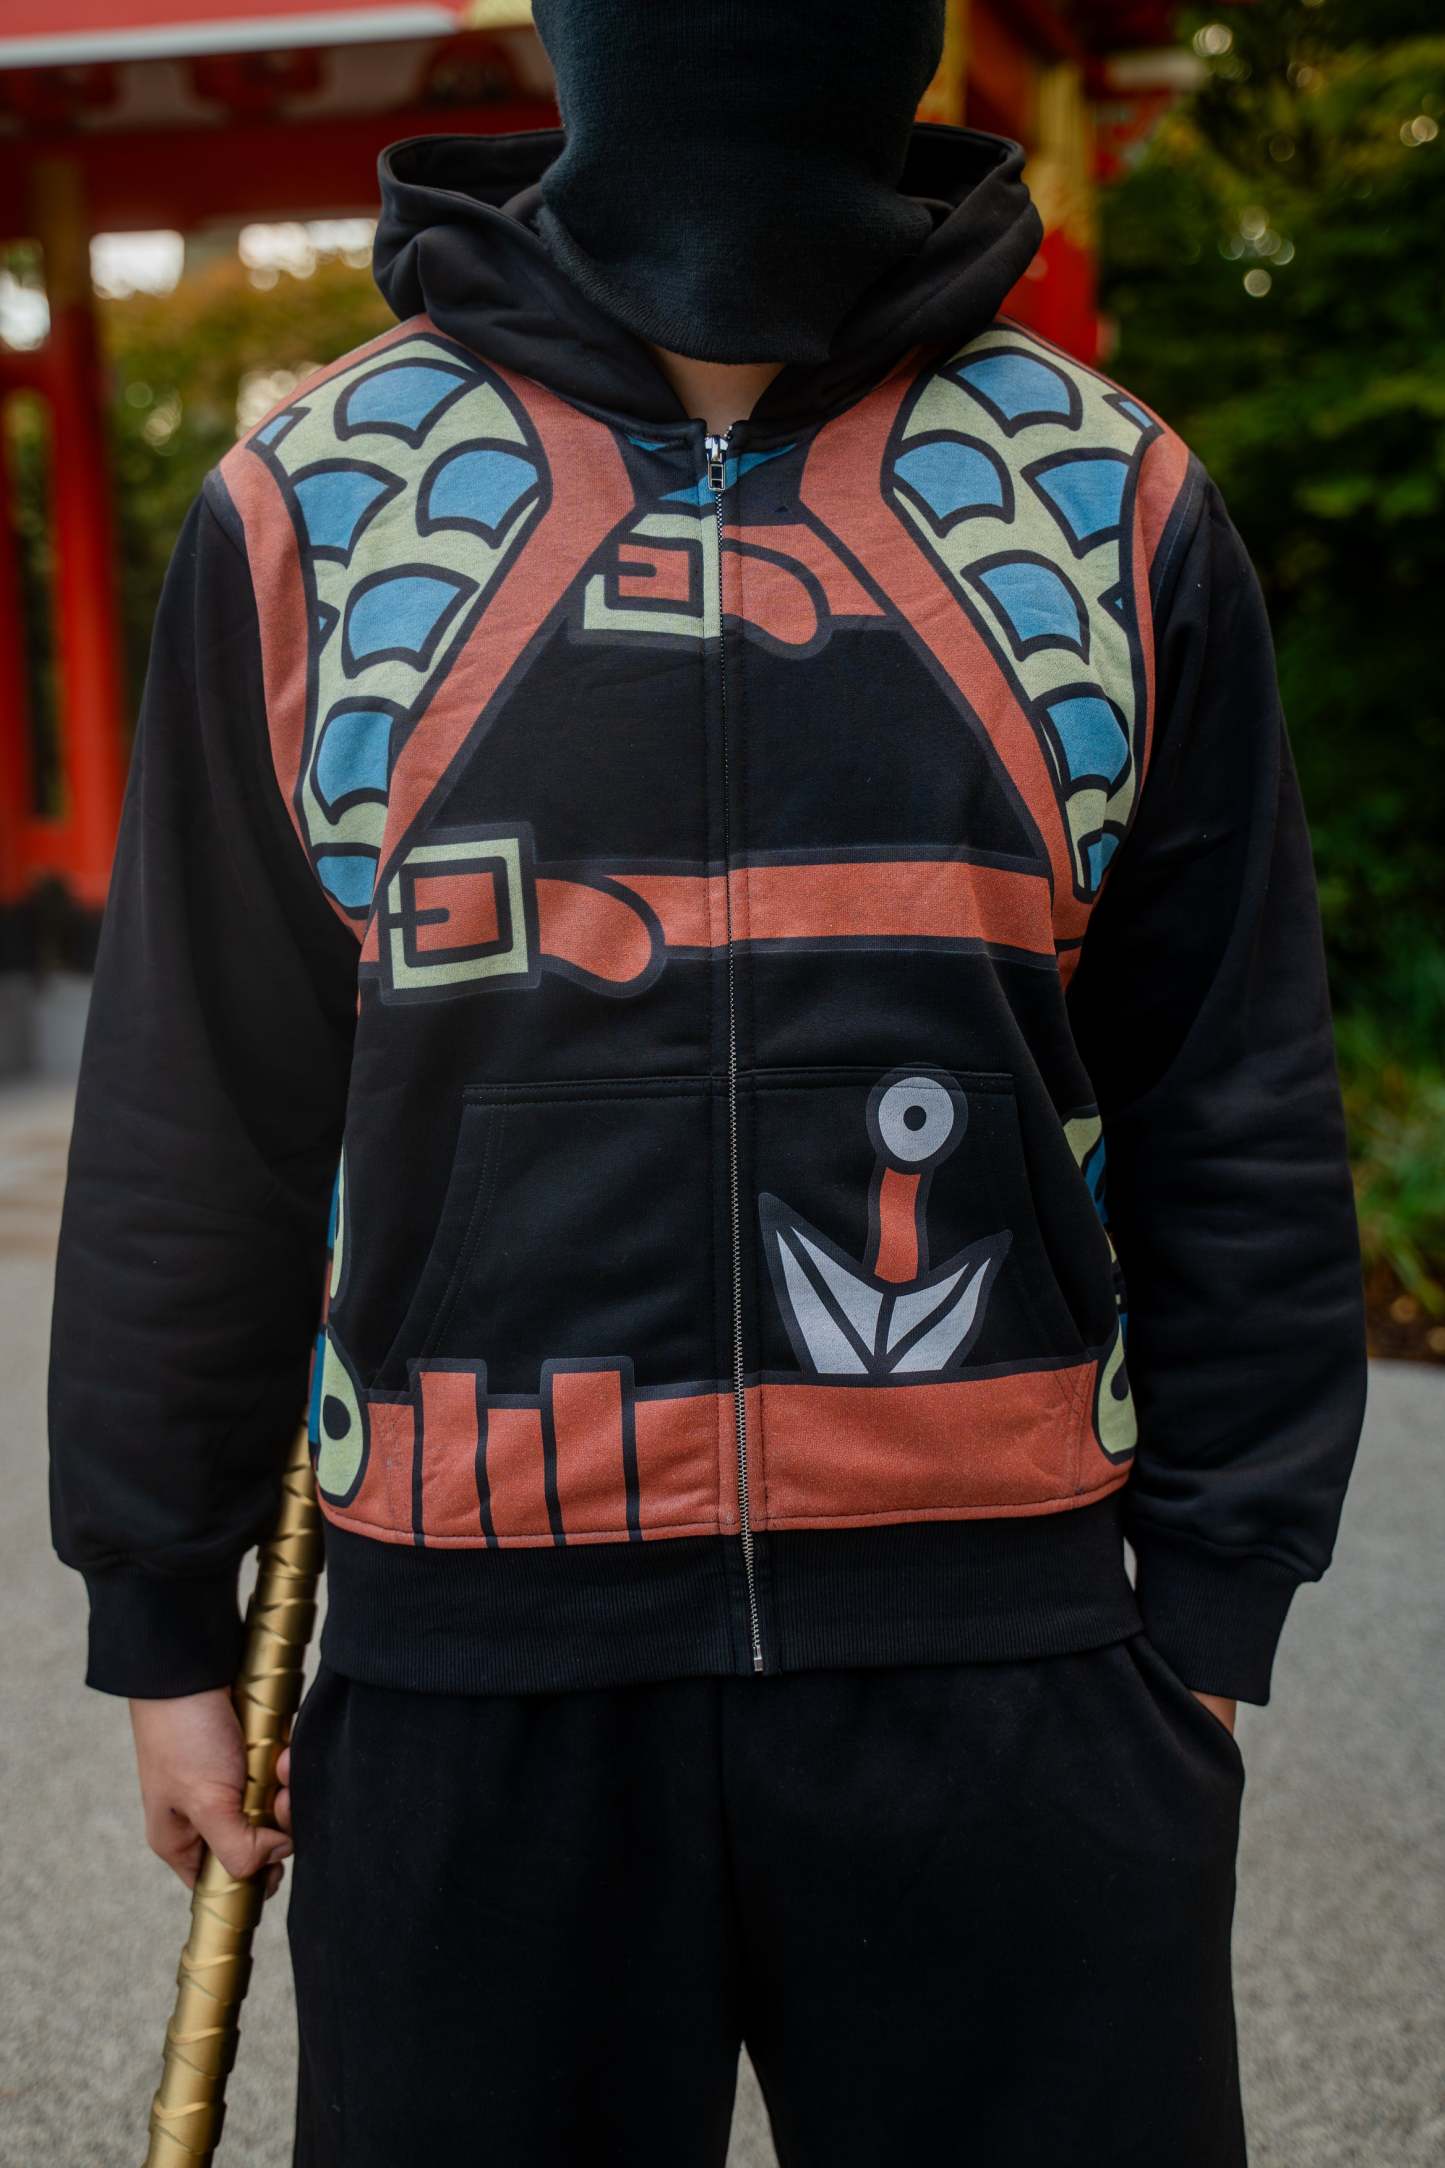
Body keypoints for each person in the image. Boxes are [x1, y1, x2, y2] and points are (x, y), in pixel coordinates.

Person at [48, 4, 1369, 2162]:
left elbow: (1230, 1086)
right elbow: (201, 1106)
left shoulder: (1099, 500)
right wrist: (158, 1612)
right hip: (476, 1663)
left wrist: (1210, 1614)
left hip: (1013, 1659)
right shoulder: (329, 507)